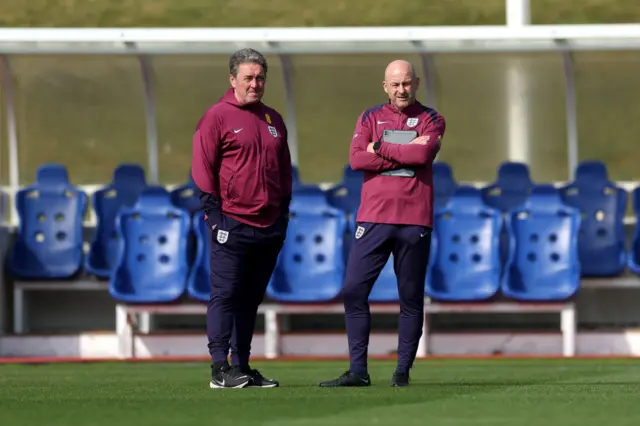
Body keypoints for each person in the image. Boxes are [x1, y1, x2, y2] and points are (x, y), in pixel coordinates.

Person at [319, 59, 446, 388]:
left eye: (406, 83)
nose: (401, 90)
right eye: (395, 84)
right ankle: (358, 370)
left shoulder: (432, 118)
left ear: (416, 82)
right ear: (385, 86)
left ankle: (402, 371)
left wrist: (380, 147)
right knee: (353, 289)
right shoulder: (369, 116)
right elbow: (357, 158)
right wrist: (403, 146)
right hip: (373, 216)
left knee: (410, 296)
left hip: (414, 218)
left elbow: (422, 157)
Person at [191, 48, 292, 389]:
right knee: (225, 295)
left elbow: (284, 171)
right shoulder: (216, 117)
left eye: (260, 78)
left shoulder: (273, 119)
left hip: (268, 226)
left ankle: (243, 365)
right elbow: (202, 168)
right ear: (232, 79)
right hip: (232, 223)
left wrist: (283, 216)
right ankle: (220, 368)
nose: (255, 84)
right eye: (248, 78)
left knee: (250, 300)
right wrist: (215, 216)